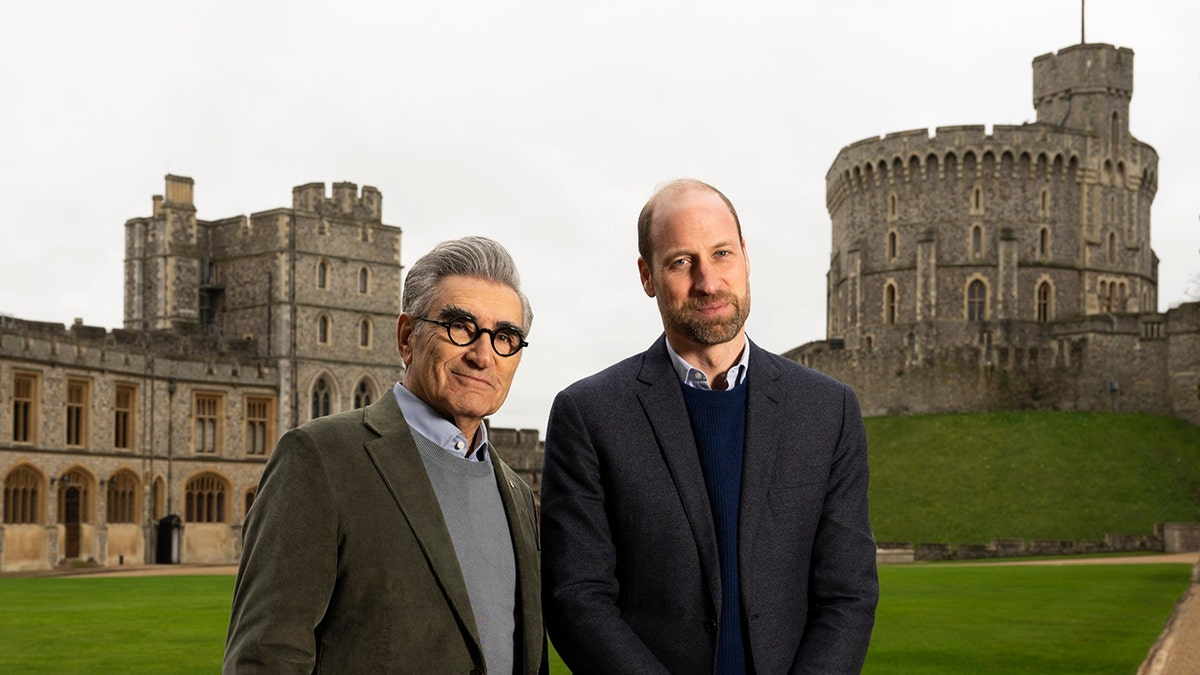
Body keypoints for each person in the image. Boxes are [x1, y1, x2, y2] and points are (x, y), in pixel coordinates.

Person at [540, 179, 878, 674]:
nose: (708, 281)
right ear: (647, 276)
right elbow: (576, 598)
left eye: (722, 254)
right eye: (681, 262)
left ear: (745, 255)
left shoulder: (828, 410)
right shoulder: (589, 415)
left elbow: (848, 594)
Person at [225, 236, 545, 675]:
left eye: (505, 337)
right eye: (460, 327)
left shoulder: (517, 493)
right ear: (407, 337)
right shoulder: (320, 458)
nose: (482, 355)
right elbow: (266, 657)